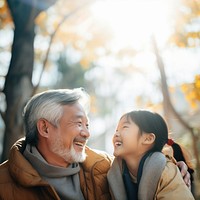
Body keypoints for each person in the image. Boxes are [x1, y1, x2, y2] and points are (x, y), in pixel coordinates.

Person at [0, 89, 191, 200]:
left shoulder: (104, 166)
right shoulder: (4, 183)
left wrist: (172, 164)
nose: (87, 133)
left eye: (87, 124)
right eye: (78, 123)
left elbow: (144, 164)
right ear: (45, 128)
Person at [107, 110, 195, 200]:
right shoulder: (114, 172)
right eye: (116, 130)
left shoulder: (166, 172)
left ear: (148, 139)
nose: (116, 134)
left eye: (124, 127)